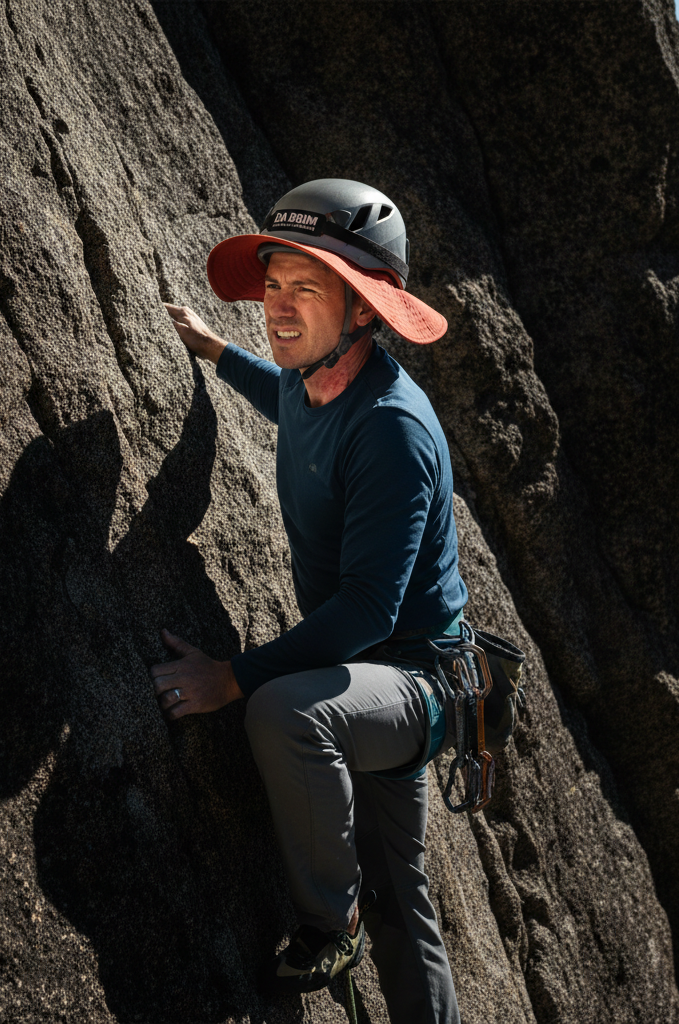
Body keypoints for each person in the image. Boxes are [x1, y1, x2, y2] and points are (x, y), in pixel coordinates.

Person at [151, 179, 465, 1024]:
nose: (279, 310)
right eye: (275, 285)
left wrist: (234, 676)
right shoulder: (310, 375)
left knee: (286, 713)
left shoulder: (392, 428)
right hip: (364, 673)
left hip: (412, 681)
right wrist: (216, 351)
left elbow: (367, 610)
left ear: (364, 310)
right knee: (409, 904)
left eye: (308, 289)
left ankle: (331, 923)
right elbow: (281, 395)